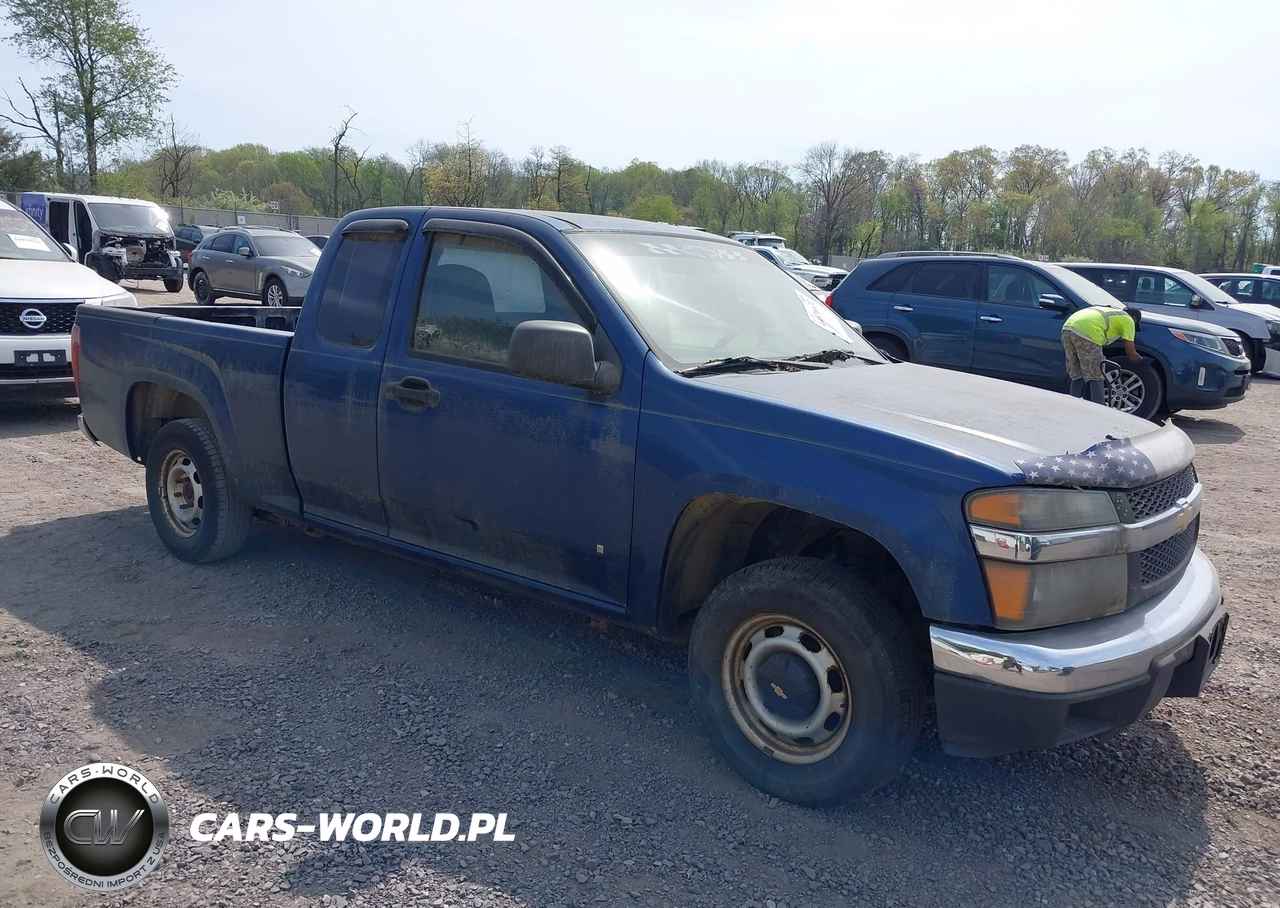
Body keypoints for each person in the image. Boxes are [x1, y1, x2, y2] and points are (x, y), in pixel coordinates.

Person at [1060, 305, 1143, 404]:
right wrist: (1143, 360)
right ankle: (1099, 408)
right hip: (1088, 333)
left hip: (1067, 329)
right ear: (1134, 318)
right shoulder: (1128, 320)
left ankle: (1072, 404)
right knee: (1096, 375)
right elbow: (1131, 355)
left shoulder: (1113, 312)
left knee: (1077, 374)